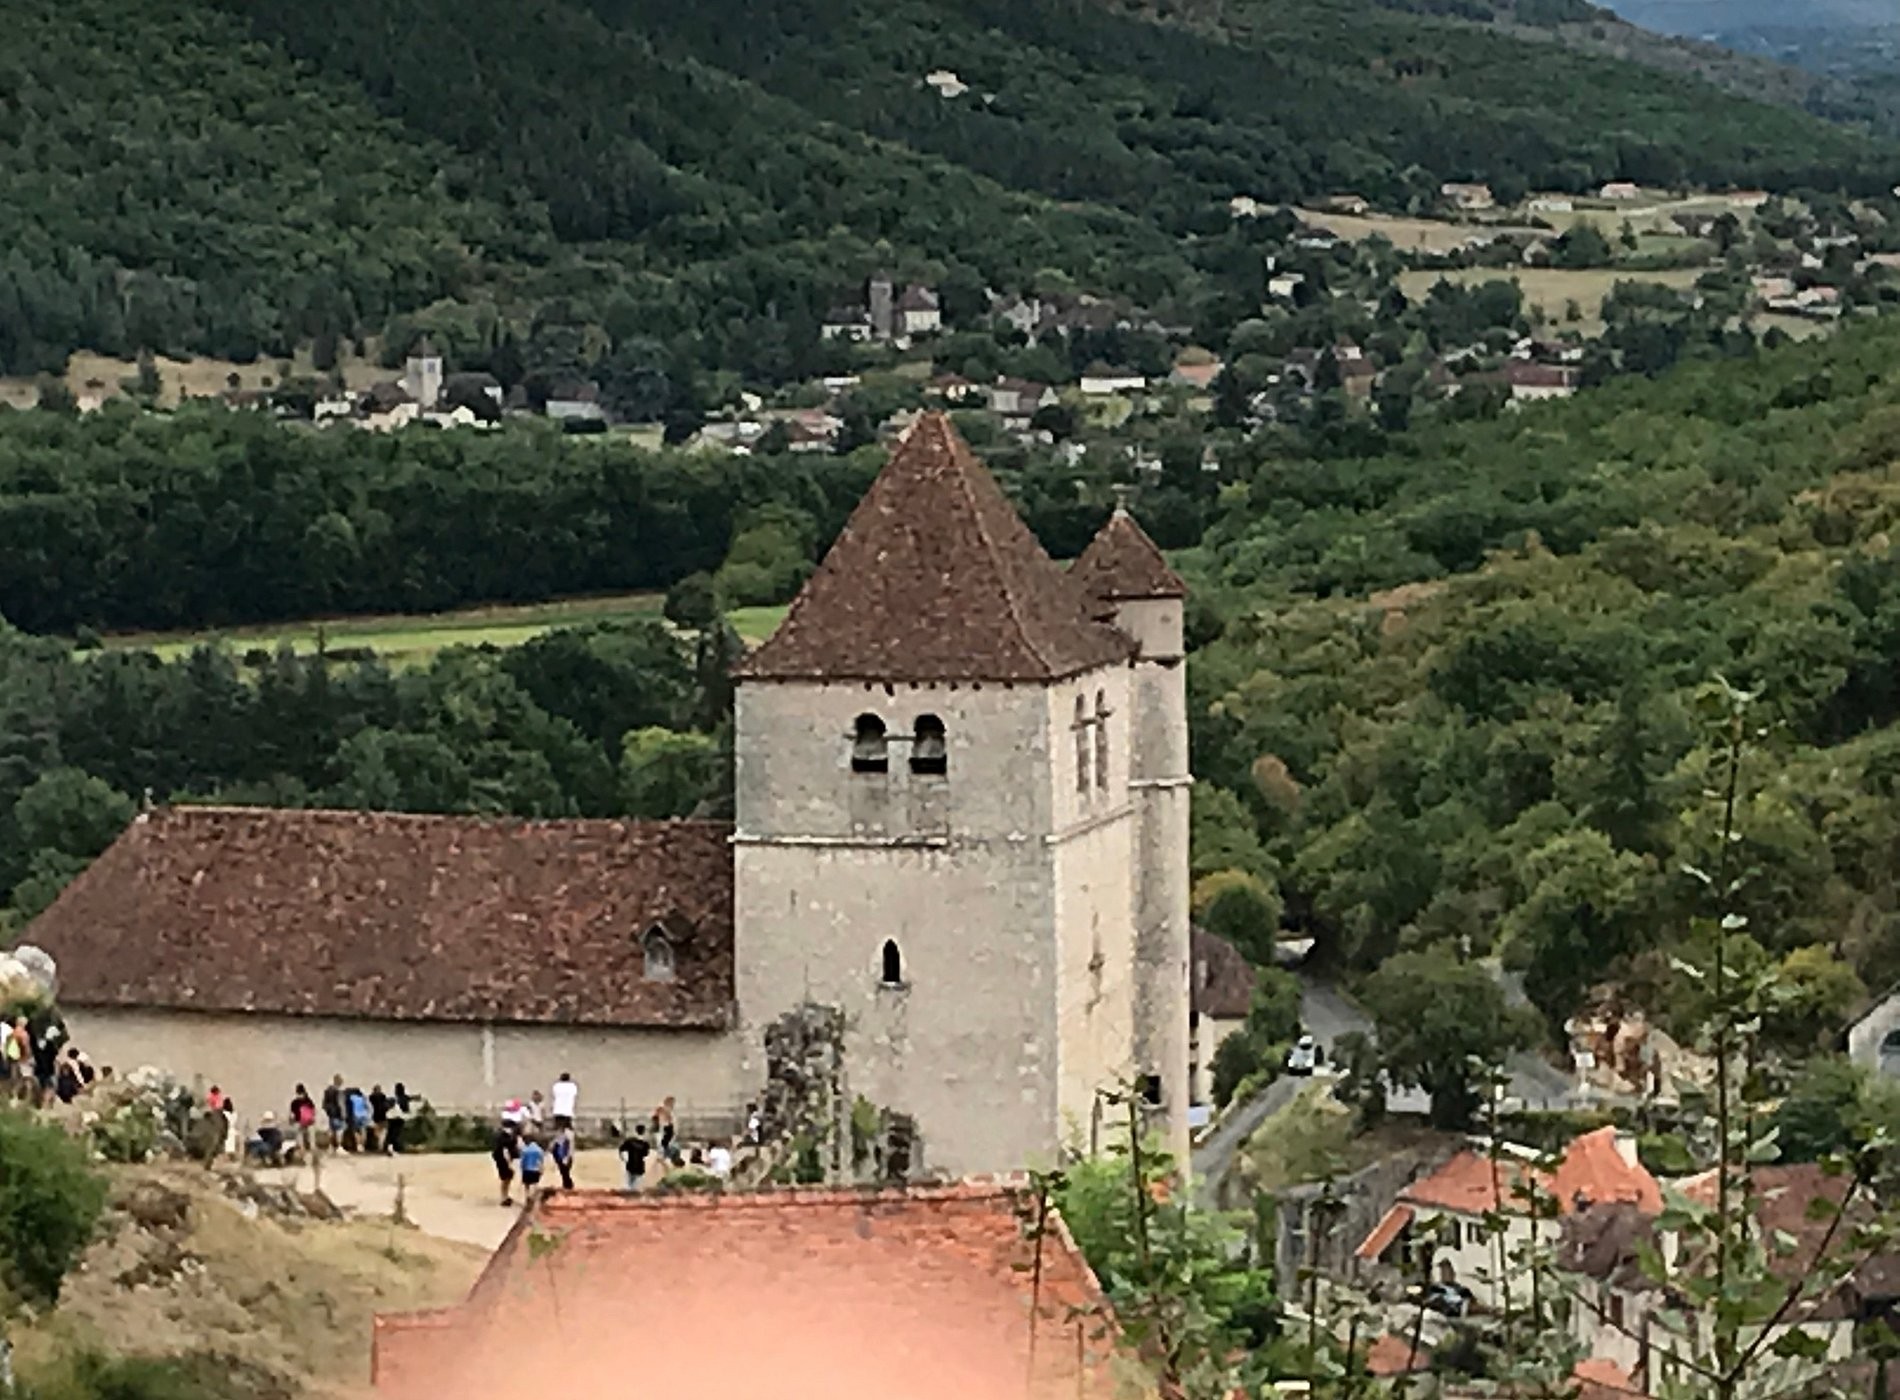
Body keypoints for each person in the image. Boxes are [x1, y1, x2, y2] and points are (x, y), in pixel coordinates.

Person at [491, 1120, 520, 1207]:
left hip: (502, 1158)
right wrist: (509, 1163)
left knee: (507, 1177)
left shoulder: (507, 1136)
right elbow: (505, 1151)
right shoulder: (504, 1137)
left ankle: (505, 1196)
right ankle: (504, 1197)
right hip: (503, 1159)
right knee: (506, 1177)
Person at [618, 1124, 651, 1192]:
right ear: (644, 1132)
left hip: (630, 1166)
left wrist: (622, 1158)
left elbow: (621, 1149)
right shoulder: (645, 1144)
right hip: (640, 1167)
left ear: (636, 1131)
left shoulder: (630, 1141)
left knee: (627, 1187)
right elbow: (646, 1154)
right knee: (636, 1189)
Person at [290, 1084, 318, 1158]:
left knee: (300, 1139)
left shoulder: (294, 1102)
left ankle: (303, 1154)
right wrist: (313, 1118)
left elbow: (292, 1115)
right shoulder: (309, 1100)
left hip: (299, 1122)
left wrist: (291, 1122)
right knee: (312, 1140)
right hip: (310, 1122)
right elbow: (314, 1111)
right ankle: (313, 1155)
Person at [385, 1083, 410, 1155]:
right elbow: (406, 1109)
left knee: (390, 1133)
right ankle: (395, 1148)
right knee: (396, 1134)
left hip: (391, 1117)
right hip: (400, 1118)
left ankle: (389, 1147)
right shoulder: (405, 1098)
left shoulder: (394, 1098)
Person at [550, 1123, 576, 1190]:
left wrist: (568, 1157)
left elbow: (570, 1146)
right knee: (563, 1172)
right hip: (560, 1156)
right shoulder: (560, 1134)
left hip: (564, 1156)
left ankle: (568, 1185)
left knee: (565, 1172)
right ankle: (567, 1185)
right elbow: (555, 1144)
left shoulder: (568, 1134)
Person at [322, 1077, 345, 1150]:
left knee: (331, 1130)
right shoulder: (339, 1092)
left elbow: (324, 1104)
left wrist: (328, 1111)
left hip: (330, 1114)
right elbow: (340, 1104)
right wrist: (343, 1114)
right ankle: (339, 1147)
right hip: (338, 1114)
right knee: (339, 1131)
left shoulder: (327, 1091)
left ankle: (330, 1146)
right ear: (340, 1082)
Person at [346, 1085, 371, 1152]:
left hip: (355, 1116)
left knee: (355, 1131)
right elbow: (368, 1106)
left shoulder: (351, 1098)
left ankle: (358, 1145)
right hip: (364, 1115)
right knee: (363, 1131)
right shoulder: (363, 1097)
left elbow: (349, 1108)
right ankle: (362, 1146)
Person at [369, 1084, 390, 1152]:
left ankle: (379, 1145)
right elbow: (386, 1106)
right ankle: (381, 1145)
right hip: (383, 1116)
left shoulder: (371, 1097)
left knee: (376, 1132)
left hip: (375, 1116)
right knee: (383, 1132)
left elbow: (369, 1107)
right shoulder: (383, 1096)